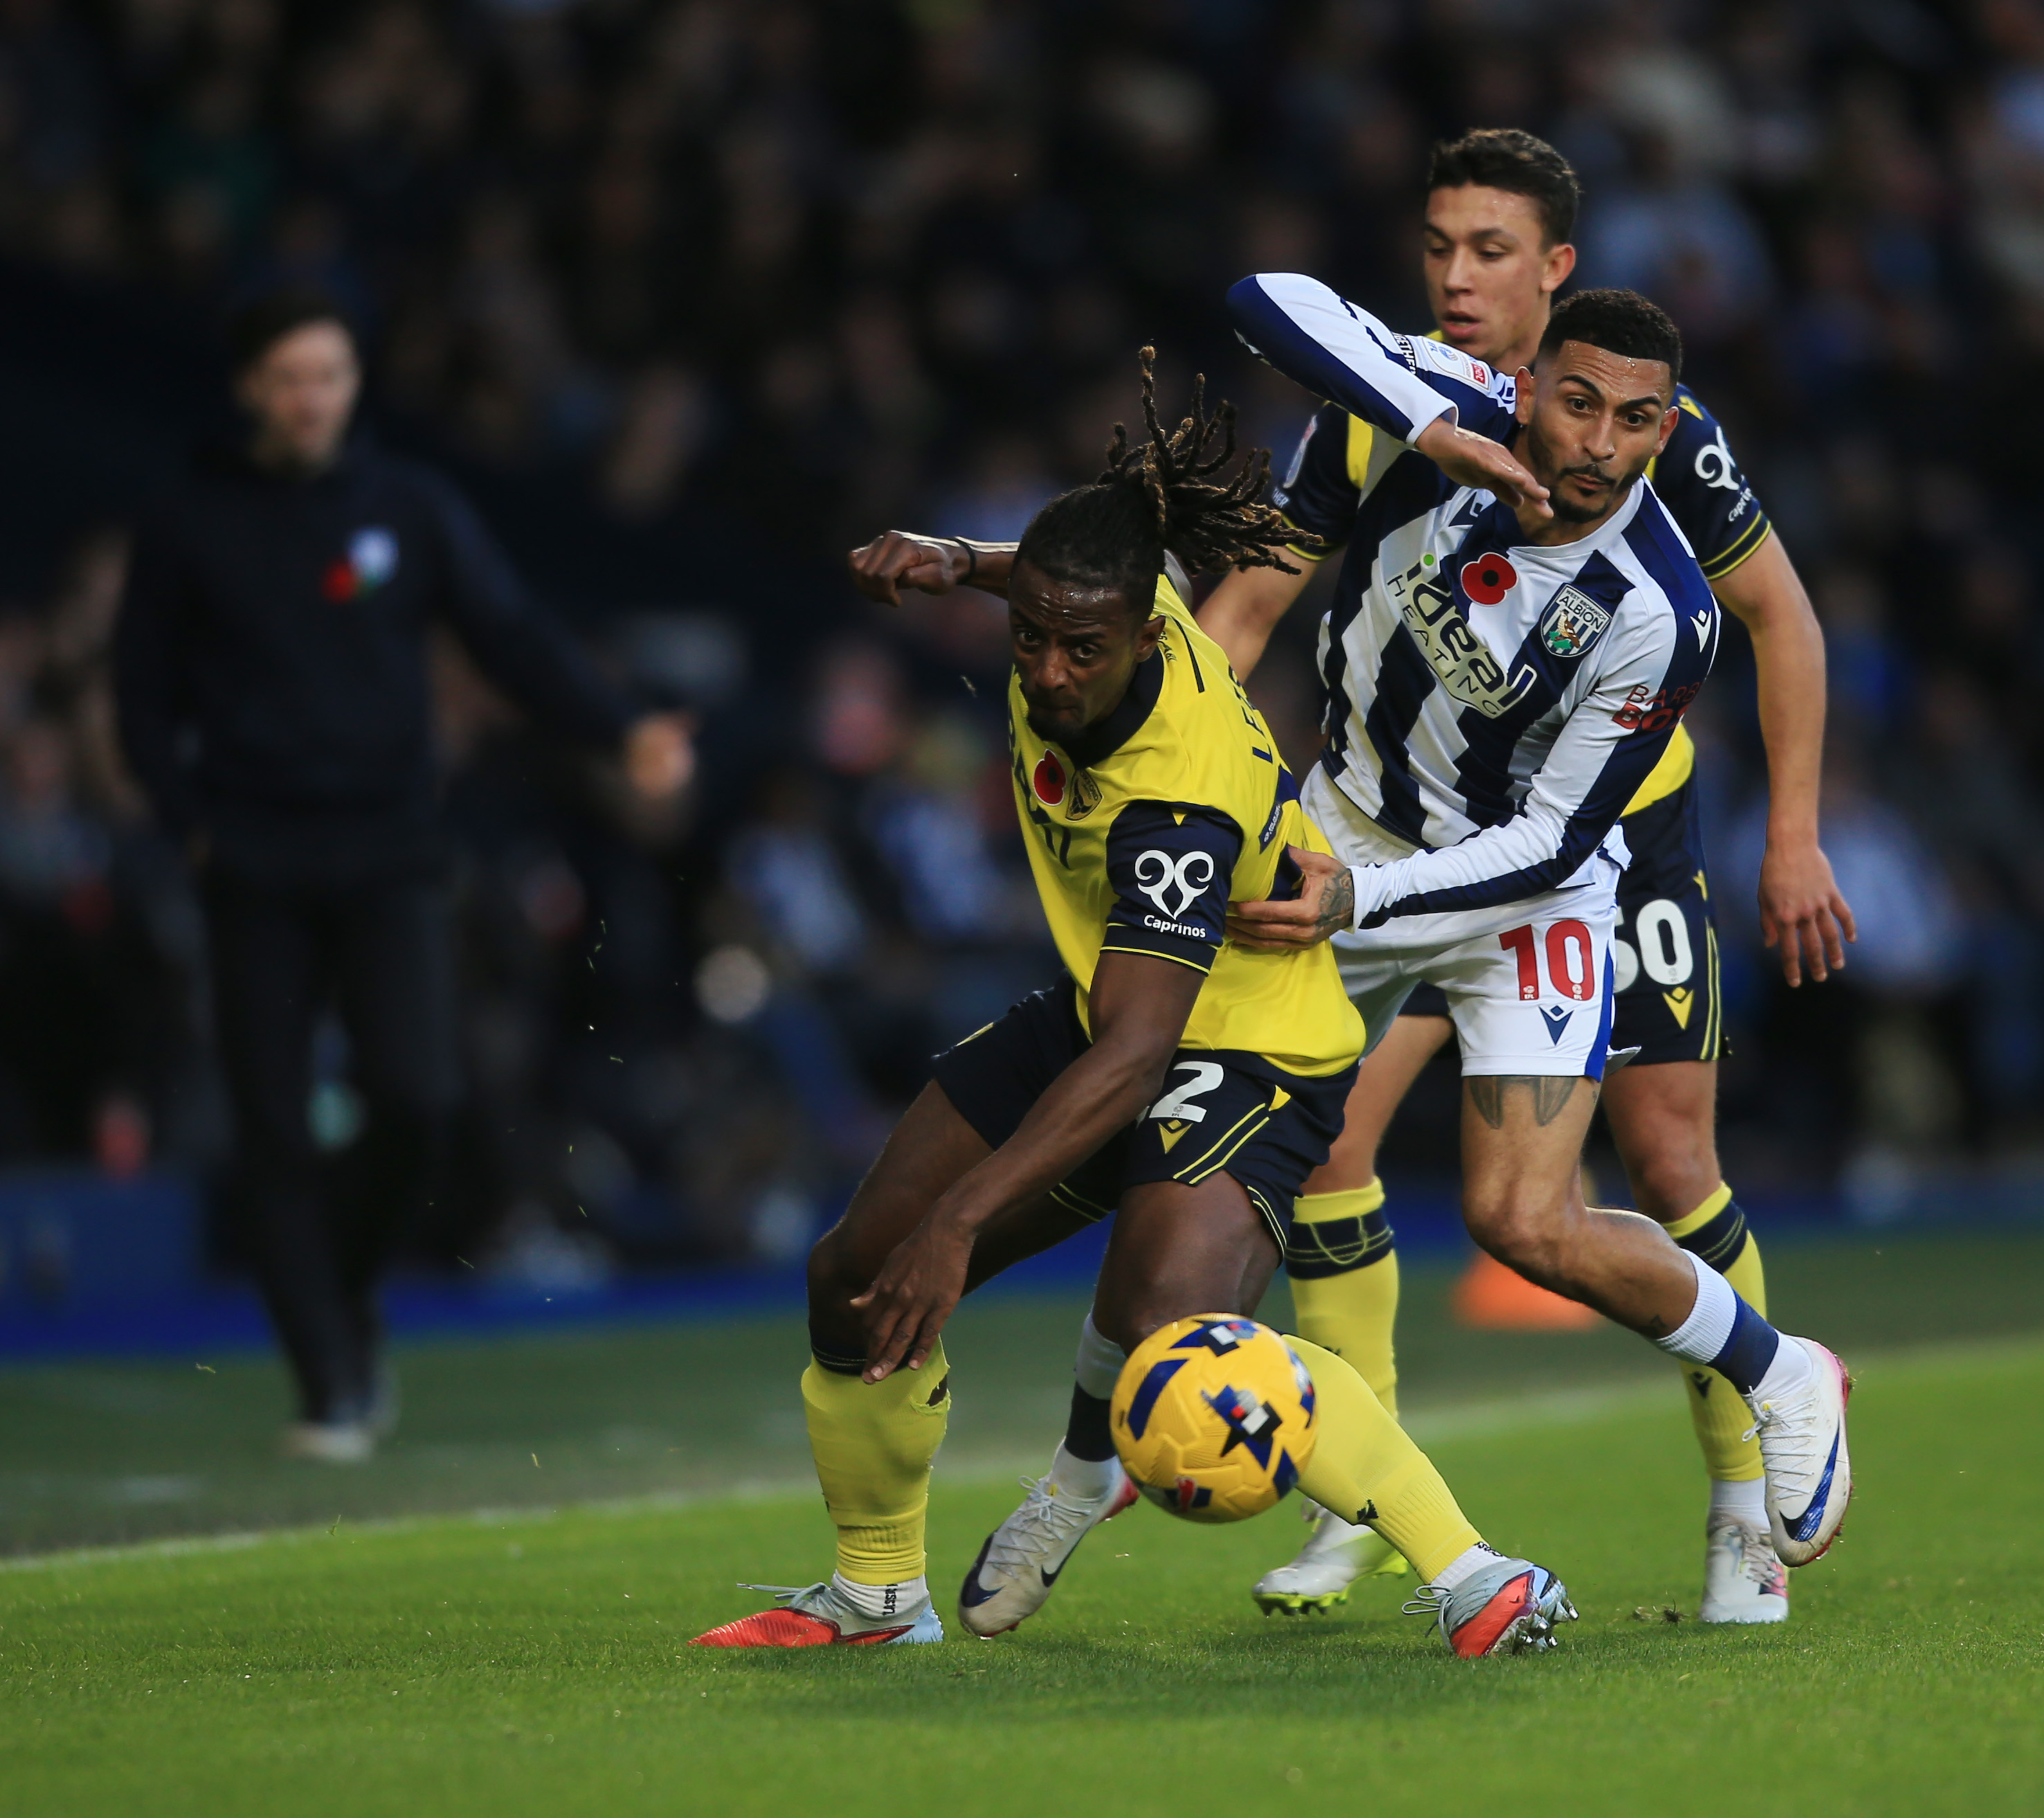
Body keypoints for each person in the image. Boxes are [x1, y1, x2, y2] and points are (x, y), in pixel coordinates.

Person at [694, 359, 1573, 1657]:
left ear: (1145, 640)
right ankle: (877, 1596)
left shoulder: (1175, 802)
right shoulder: (1102, 601)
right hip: (1116, 993)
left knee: (1182, 1341)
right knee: (855, 1276)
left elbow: (1140, 1056)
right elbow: (1066, 578)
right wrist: (959, 560)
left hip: (1250, 1040)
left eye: (1080, 649)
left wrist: (962, 1223)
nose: (1050, 671)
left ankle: (1479, 1576)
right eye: (1030, 638)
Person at [1198, 132, 1852, 1624]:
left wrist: (1793, 834)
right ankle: (1358, 1497)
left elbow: (1780, 619)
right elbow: (1244, 606)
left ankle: (1745, 1504)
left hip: (1599, 839)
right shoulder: (1387, 403)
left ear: (1554, 274)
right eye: (1437, 246)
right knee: (1327, 1145)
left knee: (1665, 1163)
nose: (1454, 277)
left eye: (1488, 251)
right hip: (1394, 839)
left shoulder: (1658, 440)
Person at [111, 287, 694, 1464]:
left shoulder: (407, 506)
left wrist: (619, 724)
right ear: (250, 388)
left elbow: (509, 634)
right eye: (289, 377)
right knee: (273, 1122)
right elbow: (140, 696)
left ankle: (343, 1285)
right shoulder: (188, 521)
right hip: (255, 855)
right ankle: (330, 1377)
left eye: (329, 375)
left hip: (389, 848)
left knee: (420, 1099)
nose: (311, 399)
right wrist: (190, 823)